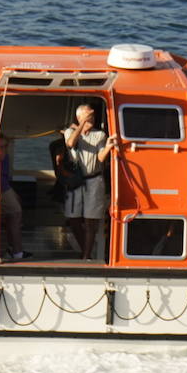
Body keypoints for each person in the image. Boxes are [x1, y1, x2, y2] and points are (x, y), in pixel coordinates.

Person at [63, 103, 117, 260]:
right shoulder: (70, 132)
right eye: (88, 116)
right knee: (73, 219)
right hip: (76, 180)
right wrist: (81, 125)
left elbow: (100, 158)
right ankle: (85, 249)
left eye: (92, 116)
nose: (91, 118)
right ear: (79, 118)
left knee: (90, 220)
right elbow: (71, 143)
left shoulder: (100, 135)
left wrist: (108, 147)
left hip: (94, 180)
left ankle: (86, 256)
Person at [0, 135, 28, 260]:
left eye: (6, 146)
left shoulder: (5, 157)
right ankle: (17, 252)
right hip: (0, 188)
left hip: (4, 187)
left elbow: (4, 177)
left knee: (12, 215)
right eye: (1, 146)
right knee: (15, 214)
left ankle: (12, 248)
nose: (3, 150)